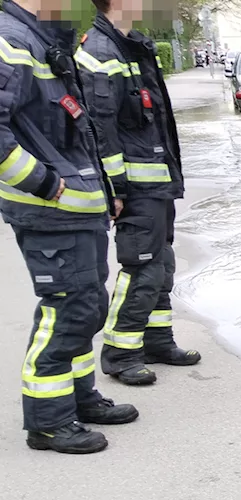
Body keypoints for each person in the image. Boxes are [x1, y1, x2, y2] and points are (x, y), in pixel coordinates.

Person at [0, 0, 139, 453]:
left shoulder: (38, 36)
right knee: (68, 309)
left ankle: (79, 398)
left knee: (86, 306)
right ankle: (48, 421)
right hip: (50, 212)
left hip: (75, 211)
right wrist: (45, 183)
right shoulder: (12, 38)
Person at [78, 0, 200, 389]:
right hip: (135, 188)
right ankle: (120, 353)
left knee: (161, 266)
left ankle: (157, 341)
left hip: (156, 183)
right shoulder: (100, 52)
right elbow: (100, 130)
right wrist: (115, 188)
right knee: (142, 268)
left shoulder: (134, 46)